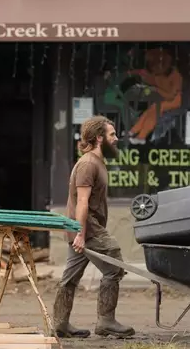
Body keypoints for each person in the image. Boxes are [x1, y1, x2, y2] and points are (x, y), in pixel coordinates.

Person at [52, 115, 135, 339]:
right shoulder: (88, 164)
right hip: (88, 228)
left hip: (82, 228)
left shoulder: (97, 161)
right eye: (112, 135)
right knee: (114, 267)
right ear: (99, 138)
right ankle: (106, 321)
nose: (116, 139)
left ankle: (60, 324)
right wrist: (80, 234)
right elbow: (82, 201)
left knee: (70, 277)